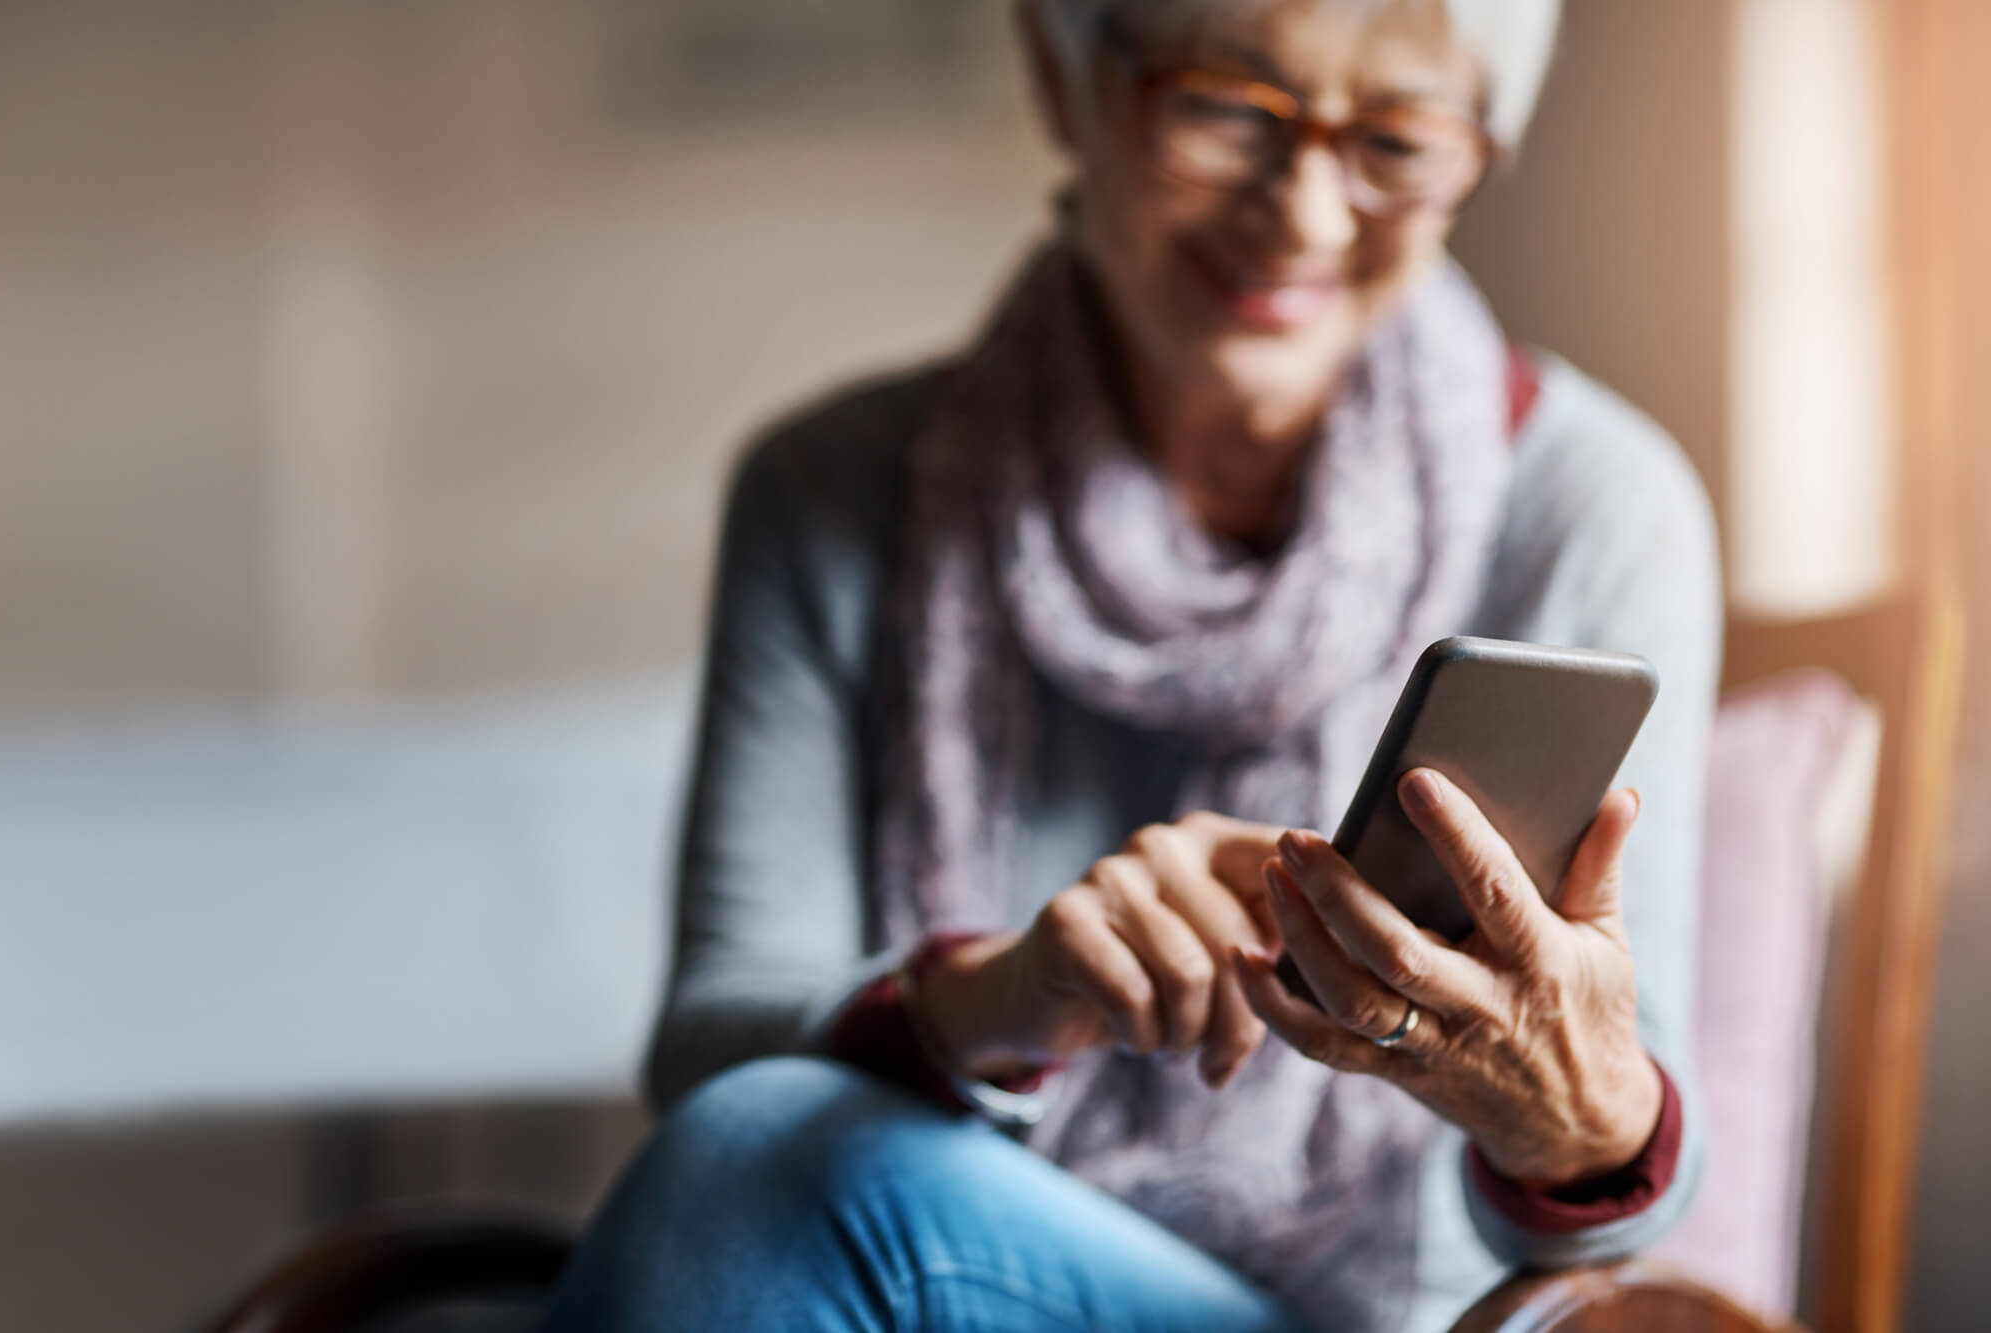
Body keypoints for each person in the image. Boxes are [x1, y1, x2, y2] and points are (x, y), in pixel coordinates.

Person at [543, 0, 1720, 1328]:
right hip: (929, 1280)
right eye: (1227, 107)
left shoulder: (1590, 502)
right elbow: (709, 1049)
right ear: (1065, 81)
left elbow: (1638, 1191)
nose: (1306, 215)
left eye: (1397, 139)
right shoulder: (830, 494)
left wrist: (1562, 1096)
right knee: (752, 1152)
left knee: (753, 1177)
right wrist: (1007, 989)